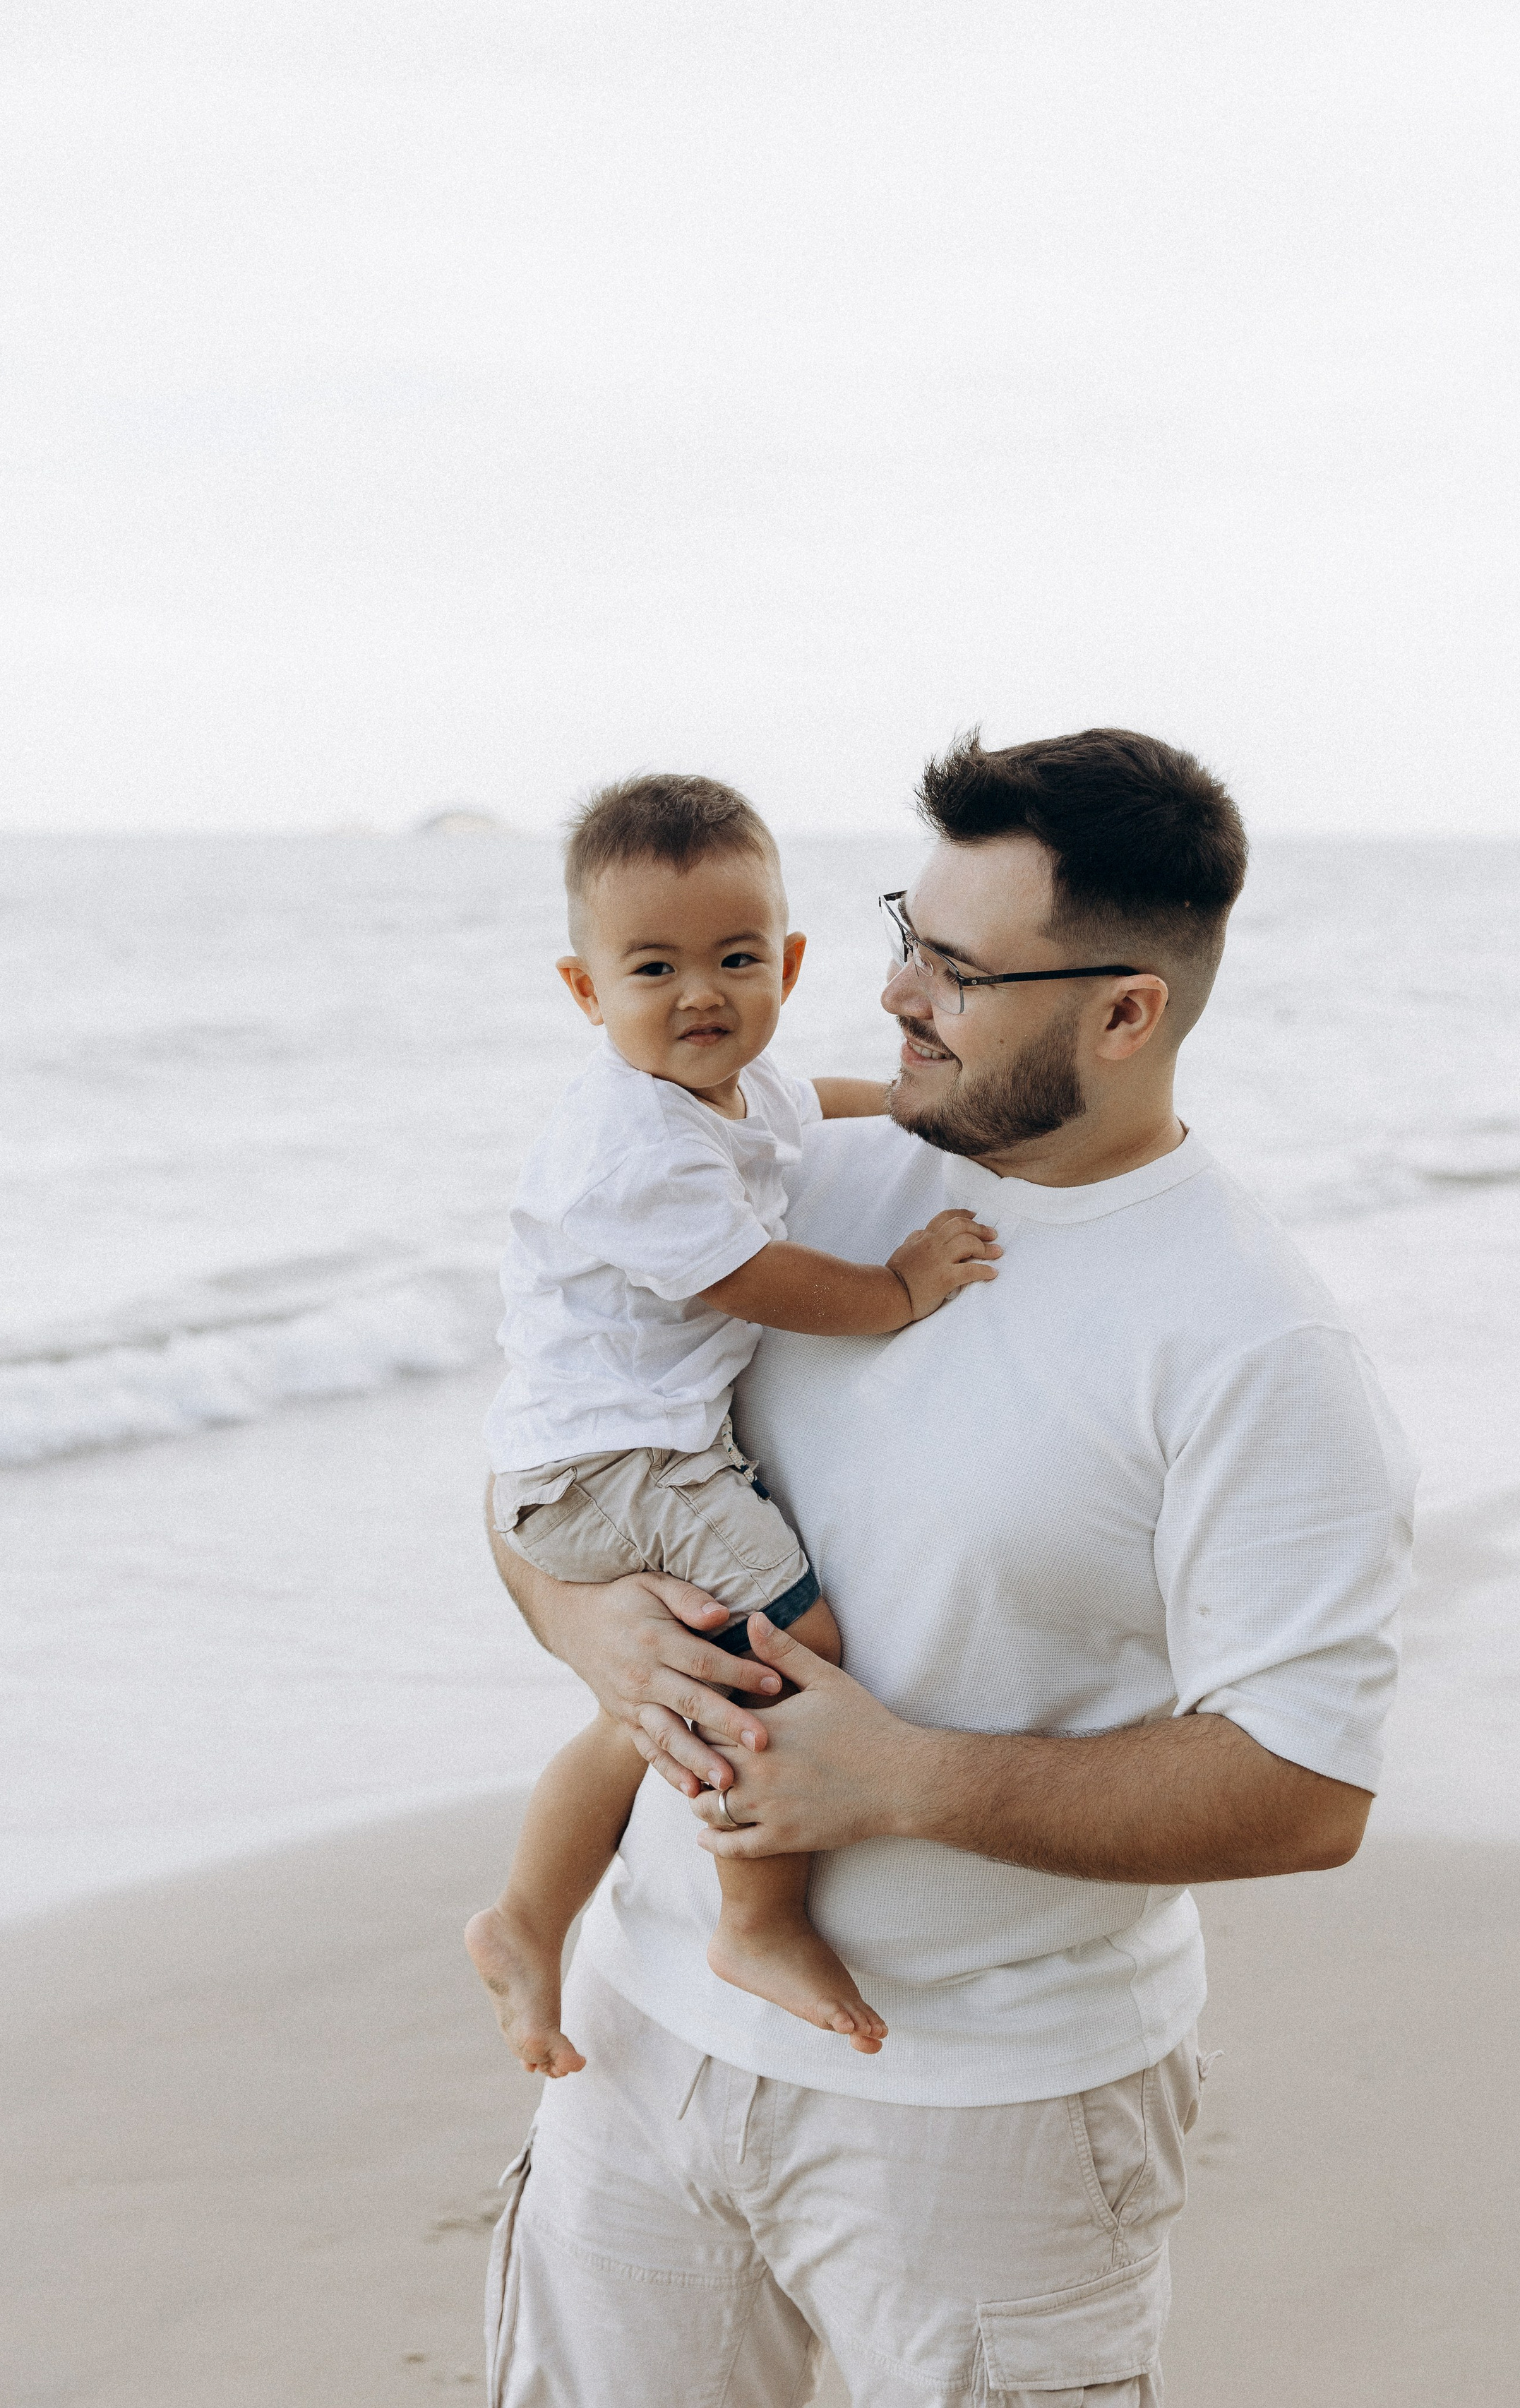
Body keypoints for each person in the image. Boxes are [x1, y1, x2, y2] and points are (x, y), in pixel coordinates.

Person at [482, 728, 1416, 2408]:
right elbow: (543, 1462)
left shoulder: (1254, 1347)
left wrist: (898, 1779)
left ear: (1123, 1009)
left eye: (961, 971)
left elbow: (1302, 1790)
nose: (899, 995)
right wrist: (589, 1625)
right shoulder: (795, 1178)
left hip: (988, 2116)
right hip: (631, 2042)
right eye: (907, 931)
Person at [465, 773, 1000, 2076]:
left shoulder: (737, 1083)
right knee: (784, 1642)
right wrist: (898, 1290)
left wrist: (928, 1106)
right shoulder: (630, 1141)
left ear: (791, 961)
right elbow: (747, 1277)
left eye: (736, 957)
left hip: (615, 1446)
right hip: (608, 1463)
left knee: (657, 1701)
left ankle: (529, 1917)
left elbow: (812, 1103)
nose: (700, 993)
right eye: (654, 967)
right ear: (588, 992)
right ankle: (756, 1918)